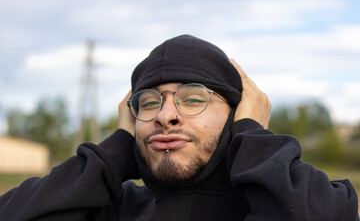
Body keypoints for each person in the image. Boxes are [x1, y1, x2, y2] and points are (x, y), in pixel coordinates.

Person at [0, 34, 358, 221]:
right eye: (150, 102)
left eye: (192, 98)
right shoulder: (113, 210)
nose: (165, 115)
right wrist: (115, 152)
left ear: (236, 114)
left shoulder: (295, 201)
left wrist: (253, 138)